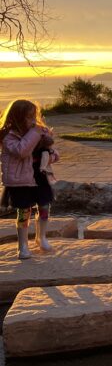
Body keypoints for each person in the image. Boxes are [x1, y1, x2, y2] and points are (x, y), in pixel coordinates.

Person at [0, 99, 59, 259]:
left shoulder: (38, 132)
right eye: (29, 117)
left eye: (34, 117)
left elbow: (53, 153)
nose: (33, 121)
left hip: (39, 176)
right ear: (17, 118)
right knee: (23, 211)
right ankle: (23, 245)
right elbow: (22, 151)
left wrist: (50, 154)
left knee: (44, 205)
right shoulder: (8, 137)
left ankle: (41, 237)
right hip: (20, 180)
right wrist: (35, 133)